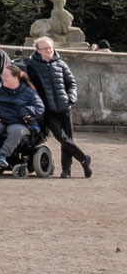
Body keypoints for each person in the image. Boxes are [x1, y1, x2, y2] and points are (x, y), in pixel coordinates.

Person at [25, 37, 92, 178]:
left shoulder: (61, 63)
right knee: (62, 138)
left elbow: (71, 83)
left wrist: (71, 98)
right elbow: (30, 86)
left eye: (50, 47)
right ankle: (84, 159)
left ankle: (66, 170)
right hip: (48, 109)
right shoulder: (32, 64)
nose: (49, 50)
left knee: (68, 139)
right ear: (38, 50)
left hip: (64, 107)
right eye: (45, 48)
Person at [0, 64, 44, 170]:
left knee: (16, 130)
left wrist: (26, 110)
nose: (2, 78)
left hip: (21, 123)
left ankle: (2, 155)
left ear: (16, 77)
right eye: (2, 75)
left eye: (6, 76)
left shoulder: (29, 92)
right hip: (1, 120)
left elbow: (40, 108)